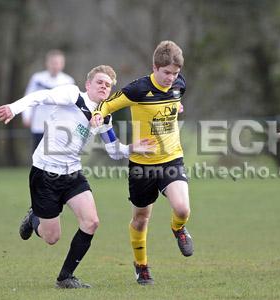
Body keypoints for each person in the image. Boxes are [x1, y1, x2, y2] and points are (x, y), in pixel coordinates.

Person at [0, 65, 153, 288]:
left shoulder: (104, 118)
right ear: (88, 84)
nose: (104, 87)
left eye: (108, 85)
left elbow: (114, 151)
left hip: (72, 173)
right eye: (100, 82)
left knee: (92, 222)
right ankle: (34, 218)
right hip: (45, 172)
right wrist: (14, 108)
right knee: (52, 238)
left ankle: (65, 277)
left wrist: (132, 148)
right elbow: (41, 96)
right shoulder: (72, 95)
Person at [91, 40, 193, 285]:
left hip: (171, 159)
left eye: (175, 73)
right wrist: (97, 114)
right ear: (155, 67)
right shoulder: (138, 89)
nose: (171, 78)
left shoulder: (179, 85)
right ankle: (141, 266)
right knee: (141, 218)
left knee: (182, 209)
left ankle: (178, 228)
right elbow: (108, 104)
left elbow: (175, 99)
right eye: (166, 72)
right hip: (142, 165)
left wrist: (176, 106)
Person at [22, 49, 75, 150]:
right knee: (38, 156)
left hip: (59, 125)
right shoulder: (37, 79)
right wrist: (26, 116)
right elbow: (29, 97)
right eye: (53, 63)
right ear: (47, 63)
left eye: (58, 63)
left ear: (63, 64)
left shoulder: (68, 81)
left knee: (56, 156)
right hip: (39, 123)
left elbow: (72, 104)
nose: (55, 66)